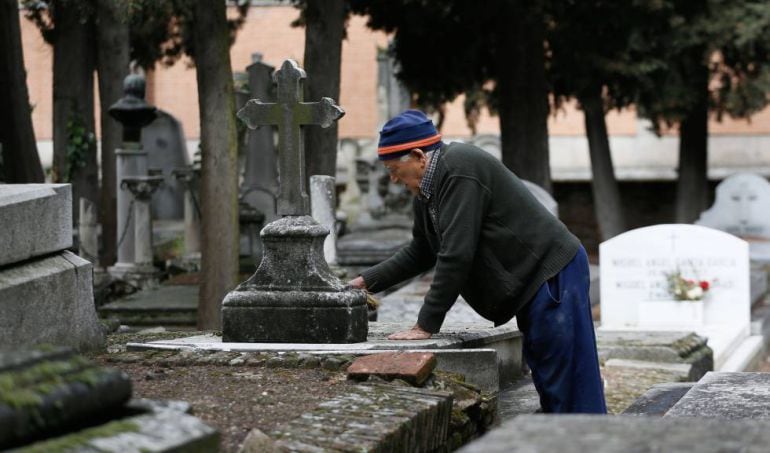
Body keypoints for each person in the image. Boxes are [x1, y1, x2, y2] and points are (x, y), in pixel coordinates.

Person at [348, 110, 606, 414]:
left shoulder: (459, 168)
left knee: (567, 371)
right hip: (532, 279)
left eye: (394, 168)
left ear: (418, 155)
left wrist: (425, 324)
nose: (392, 178)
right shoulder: (427, 192)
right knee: (548, 369)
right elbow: (421, 251)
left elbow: (456, 254)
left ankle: (586, 438)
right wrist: (365, 282)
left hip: (552, 271)